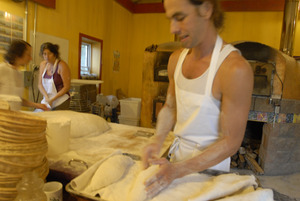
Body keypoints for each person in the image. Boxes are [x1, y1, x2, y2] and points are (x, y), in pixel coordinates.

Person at [142, 0, 254, 198]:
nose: (173, 28)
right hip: (175, 163)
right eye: (170, 19)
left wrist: (178, 170)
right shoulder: (176, 59)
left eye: (180, 17)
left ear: (206, 9)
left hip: (211, 173)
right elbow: (170, 106)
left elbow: (231, 142)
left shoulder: (234, 69)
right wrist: (157, 140)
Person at [0, 39, 49, 111]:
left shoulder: (19, 73)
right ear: (18, 54)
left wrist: (37, 105)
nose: (31, 58)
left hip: (14, 116)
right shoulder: (2, 69)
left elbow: (17, 100)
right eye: (28, 55)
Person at [38, 42, 71, 111]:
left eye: (49, 53)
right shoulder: (43, 65)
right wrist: (47, 98)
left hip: (61, 100)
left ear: (54, 54)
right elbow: (40, 84)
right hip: (48, 99)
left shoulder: (62, 65)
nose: (47, 57)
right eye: (44, 54)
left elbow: (66, 87)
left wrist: (53, 99)